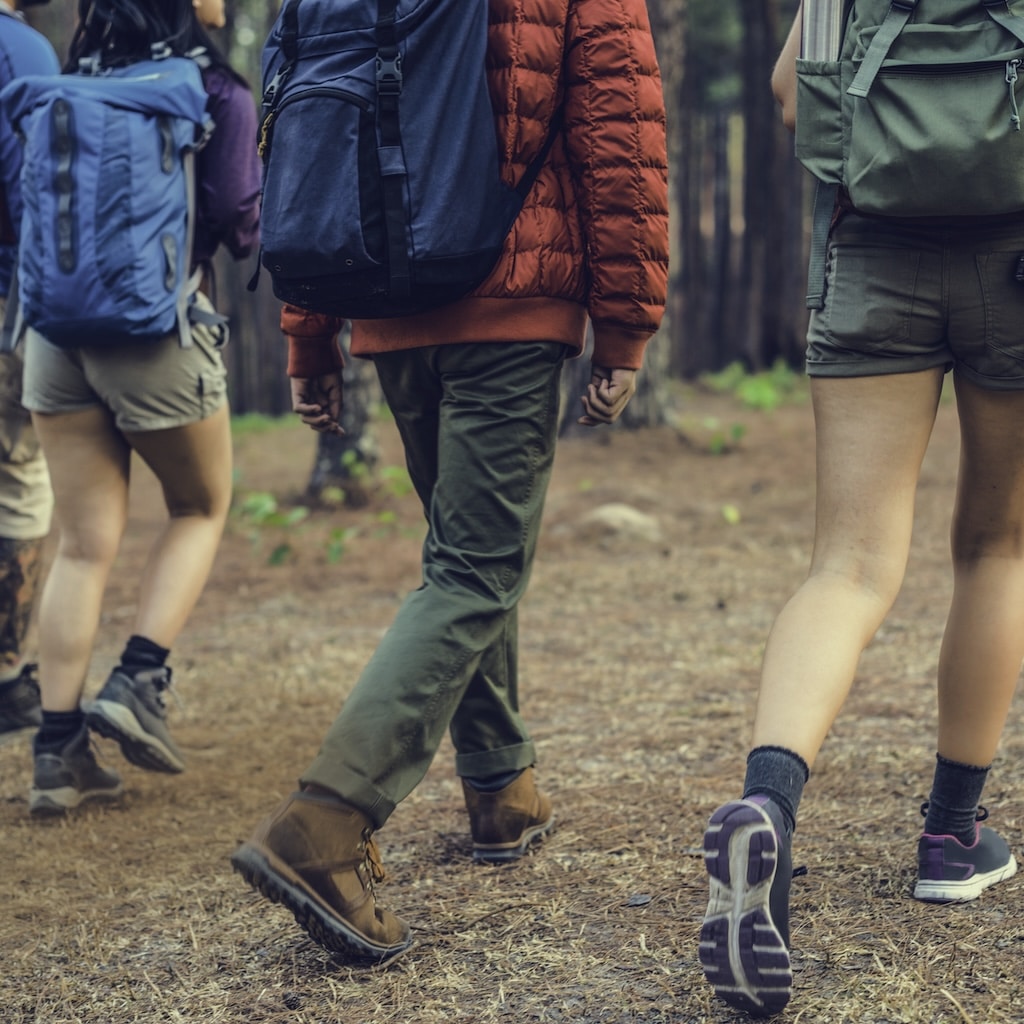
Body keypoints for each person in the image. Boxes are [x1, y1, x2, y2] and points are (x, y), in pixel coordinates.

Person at [231, 0, 669, 962]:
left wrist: (310, 335)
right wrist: (626, 324)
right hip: (512, 302)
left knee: (466, 559)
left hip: (388, 306)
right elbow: (619, 137)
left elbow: (302, 139)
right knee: (475, 570)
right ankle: (327, 822)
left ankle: (501, 787)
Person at [699, 4, 1024, 1016]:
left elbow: (794, 96)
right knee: (997, 544)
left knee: (845, 566)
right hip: (1016, 266)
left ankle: (767, 803)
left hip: (872, 256)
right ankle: (950, 835)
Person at [22, 0, 260, 815]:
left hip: (54, 340)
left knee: (84, 545)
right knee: (199, 505)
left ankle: (56, 753)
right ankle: (139, 677)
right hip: (154, 333)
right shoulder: (213, 92)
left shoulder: (66, 82)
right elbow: (237, 216)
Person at [0, 0, 56, 746]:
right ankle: (9, 677)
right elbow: (37, 193)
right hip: (8, 293)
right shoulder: (23, 53)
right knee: (17, 469)